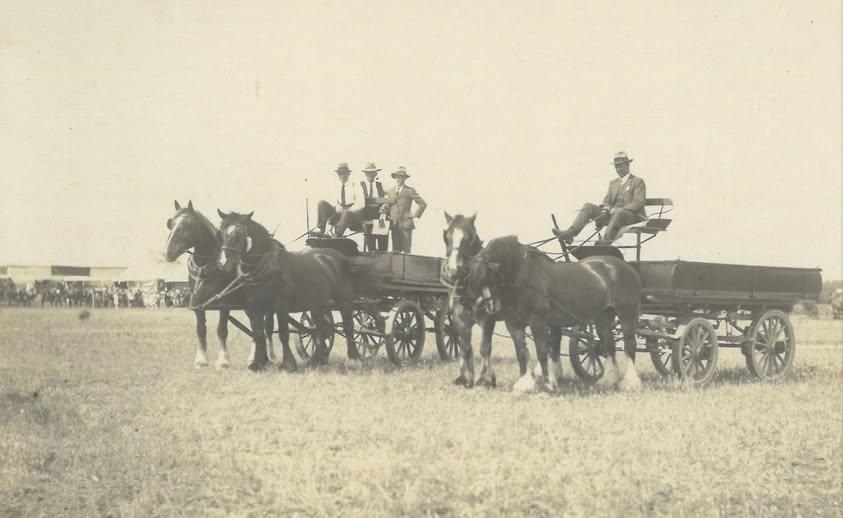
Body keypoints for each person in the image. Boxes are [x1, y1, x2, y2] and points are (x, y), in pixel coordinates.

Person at [552, 151, 646, 244]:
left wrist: (618, 209)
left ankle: (604, 243)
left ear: (627, 165)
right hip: (614, 217)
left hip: (632, 217)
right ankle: (570, 233)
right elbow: (607, 201)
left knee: (619, 212)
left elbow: (638, 203)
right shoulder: (613, 183)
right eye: (616, 166)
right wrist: (606, 208)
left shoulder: (637, 181)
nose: (618, 169)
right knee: (588, 206)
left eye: (620, 166)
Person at [312, 162, 365, 237]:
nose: (342, 176)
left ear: (348, 174)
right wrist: (337, 207)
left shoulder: (355, 185)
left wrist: (349, 209)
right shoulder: (337, 186)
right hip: (340, 214)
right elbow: (335, 202)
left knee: (346, 212)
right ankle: (321, 229)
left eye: (344, 173)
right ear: (338, 175)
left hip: (353, 216)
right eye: (340, 174)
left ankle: (337, 235)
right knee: (322, 203)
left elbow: (361, 204)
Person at [383, 166, 427, 253]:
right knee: (395, 251)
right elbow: (388, 205)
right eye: (397, 177)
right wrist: (386, 207)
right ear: (395, 178)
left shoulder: (410, 190)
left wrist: (414, 215)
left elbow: (423, 204)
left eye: (401, 177)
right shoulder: (390, 191)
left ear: (405, 178)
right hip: (394, 225)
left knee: (406, 251)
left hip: (406, 225)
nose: (399, 179)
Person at [359, 162, 389, 251]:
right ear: (365, 174)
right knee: (371, 248)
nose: (370, 175)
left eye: (372, 172)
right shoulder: (361, 185)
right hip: (367, 217)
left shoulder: (380, 185)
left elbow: (387, 198)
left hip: (380, 216)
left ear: (376, 173)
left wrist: (385, 205)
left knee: (382, 246)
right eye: (368, 172)